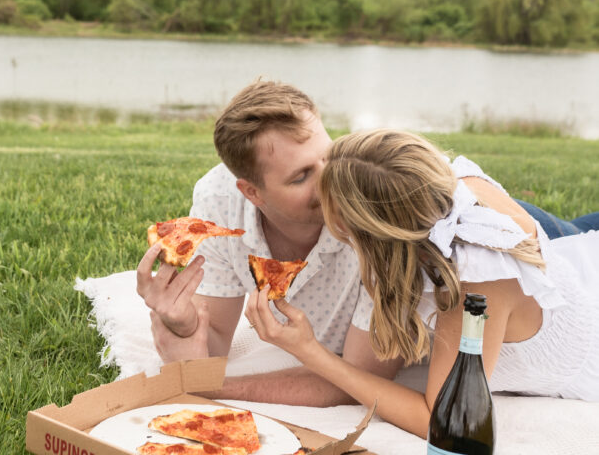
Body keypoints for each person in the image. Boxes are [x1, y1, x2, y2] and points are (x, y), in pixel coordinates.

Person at [244, 128, 599, 436]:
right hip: (579, 263)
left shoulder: (476, 285)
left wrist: (310, 352)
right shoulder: (435, 187)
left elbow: (439, 423)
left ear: (375, 238)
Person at [137, 80, 398, 406]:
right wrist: (186, 325)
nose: (331, 183)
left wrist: (208, 389)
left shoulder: (373, 205)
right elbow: (215, 345)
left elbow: (361, 382)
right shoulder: (220, 201)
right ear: (251, 192)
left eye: (329, 157)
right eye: (302, 176)